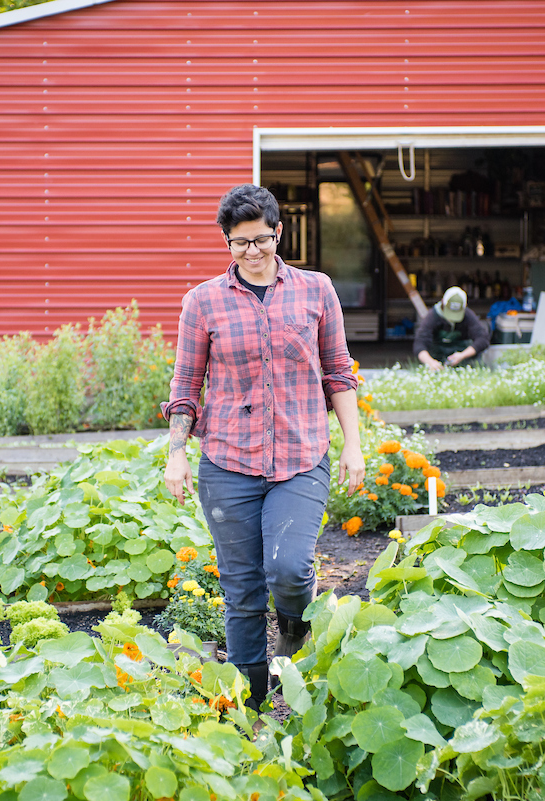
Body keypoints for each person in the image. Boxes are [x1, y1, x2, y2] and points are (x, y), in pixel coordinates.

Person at [162, 183, 364, 710]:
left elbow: (339, 373)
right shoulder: (202, 302)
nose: (251, 252)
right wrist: (177, 453)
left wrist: (353, 446)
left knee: (290, 568)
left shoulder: (317, 290)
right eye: (238, 243)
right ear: (226, 243)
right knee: (242, 588)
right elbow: (185, 387)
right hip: (228, 461)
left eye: (260, 239)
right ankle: (249, 702)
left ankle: (295, 629)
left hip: (301, 456)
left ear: (279, 232)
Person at [414, 286, 490, 370]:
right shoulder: (433, 316)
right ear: (443, 303)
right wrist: (430, 362)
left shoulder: (468, 315)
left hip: (462, 358)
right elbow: (420, 343)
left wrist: (462, 355)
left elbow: (483, 339)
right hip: (438, 357)